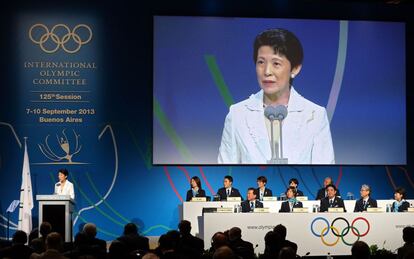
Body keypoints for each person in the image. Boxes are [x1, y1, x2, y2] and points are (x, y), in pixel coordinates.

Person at [218, 28, 335, 164]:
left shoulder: (315, 115)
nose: (267, 71)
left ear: (295, 68)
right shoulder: (237, 114)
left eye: (276, 63)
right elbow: (225, 170)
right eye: (261, 62)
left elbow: (324, 173)